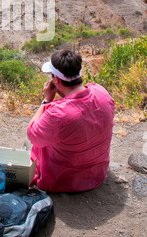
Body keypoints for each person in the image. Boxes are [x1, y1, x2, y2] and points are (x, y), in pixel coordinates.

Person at [27, 49, 115, 193]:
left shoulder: (57, 114)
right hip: (97, 175)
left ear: (56, 80)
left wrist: (46, 101)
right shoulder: (102, 93)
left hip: (64, 182)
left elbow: (32, 135)